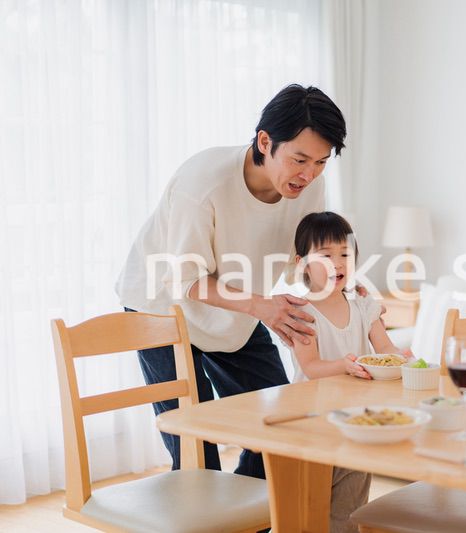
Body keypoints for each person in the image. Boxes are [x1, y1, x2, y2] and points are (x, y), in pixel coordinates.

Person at [115, 84, 345, 477]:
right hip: (164, 309)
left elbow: (303, 260)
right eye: (300, 159)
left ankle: (244, 520)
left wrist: (340, 290)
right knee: (196, 454)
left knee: (284, 430)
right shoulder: (203, 184)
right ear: (265, 140)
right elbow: (185, 281)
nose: (309, 174)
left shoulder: (311, 187)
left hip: (236, 307)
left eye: (321, 162)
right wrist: (262, 306)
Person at [289, 211, 407, 533]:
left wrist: (402, 358)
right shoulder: (300, 313)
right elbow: (310, 367)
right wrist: (343, 365)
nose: (338, 264)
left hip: (356, 420)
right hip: (312, 422)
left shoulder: (363, 306)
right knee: (308, 507)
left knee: (350, 506)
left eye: (345, 254)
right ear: (302, 264)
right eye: (325, 256)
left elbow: (385, 349)